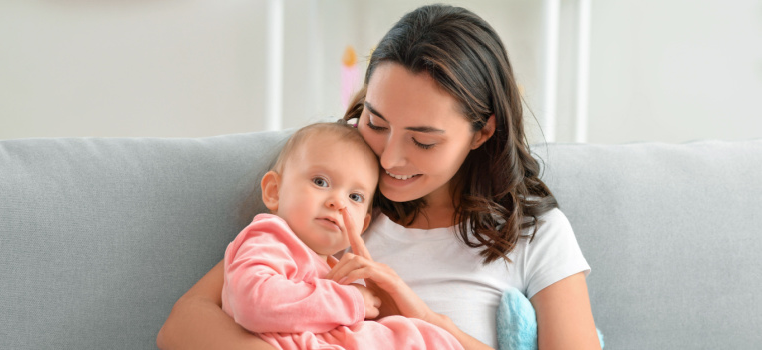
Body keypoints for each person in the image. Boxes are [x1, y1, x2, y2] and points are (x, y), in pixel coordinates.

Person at [158, 4, 601, 349]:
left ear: (482, 132)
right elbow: (184, 323)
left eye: (422, 141)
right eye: (376, 122)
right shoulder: (332, 201)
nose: (389, 159)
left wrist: (430, 323)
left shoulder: (532, 235)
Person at [221, 122, 462, 349]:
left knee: (419, 334)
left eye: (355, 197)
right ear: (275, 191)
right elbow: (253, 301)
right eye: (320, 181)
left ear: (363, 224)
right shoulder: (271, 238)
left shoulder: (333, 266)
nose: (337, 202)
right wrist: (351, 301)